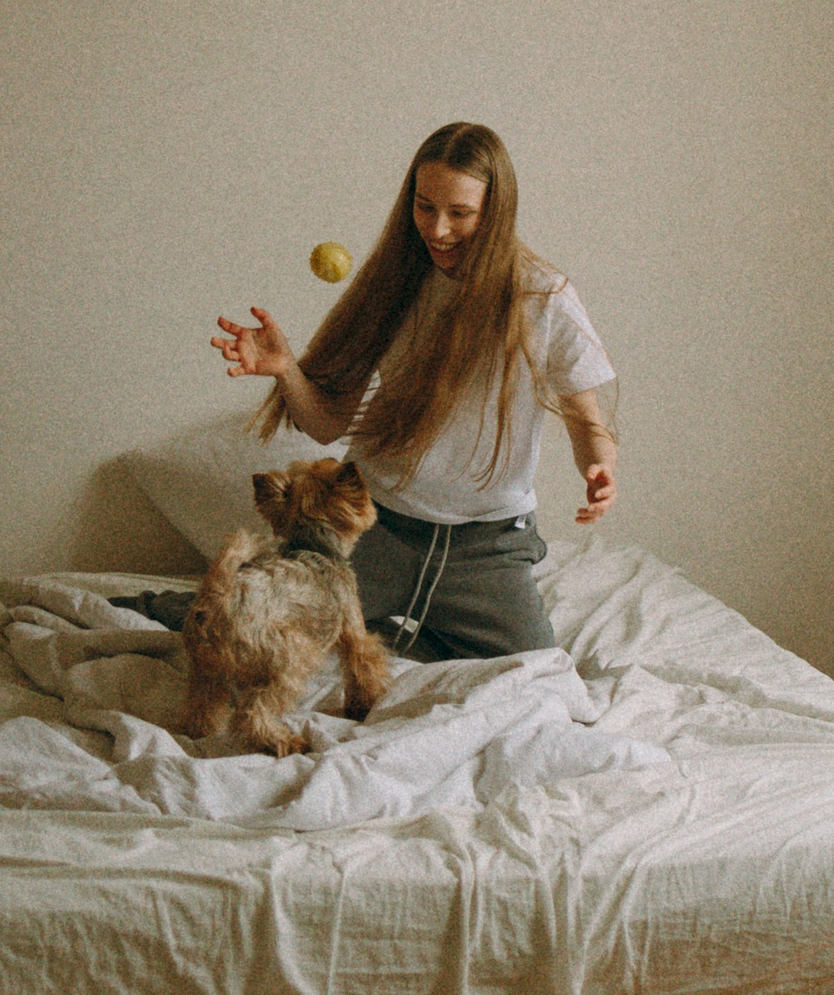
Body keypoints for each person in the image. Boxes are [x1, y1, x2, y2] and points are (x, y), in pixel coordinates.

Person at [212, 122, 616, 664]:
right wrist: (286, 370)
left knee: (537, 675)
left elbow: (587, 422)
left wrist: (598, 468)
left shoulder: (544, 299)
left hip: (488, 547)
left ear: (496, 212)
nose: (438, 229)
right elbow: (328, 426)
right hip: (374, 527)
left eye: (460, 213)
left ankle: (395, 635)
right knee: (245, 624)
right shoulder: (395, 281)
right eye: (425, 207)